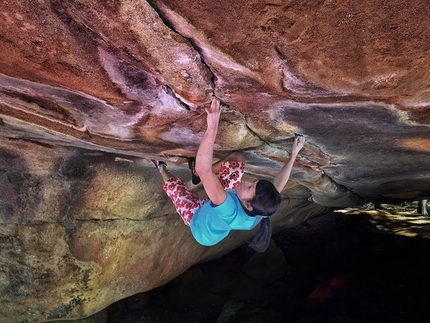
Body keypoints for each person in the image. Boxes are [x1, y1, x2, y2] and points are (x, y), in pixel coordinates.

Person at [153, 96, 305, 252]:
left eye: (249, 187)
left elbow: (202, 168)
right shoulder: (262, 207)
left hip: (198, 222)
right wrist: (294, 154)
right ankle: (203, 180)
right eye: (253, 183)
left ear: (248, 205)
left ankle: (161, 167)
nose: (246, 182)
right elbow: (278, 185)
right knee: (237, 160)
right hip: (220, 204)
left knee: (176, 189)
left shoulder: (229, 210)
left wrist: (212, 126)